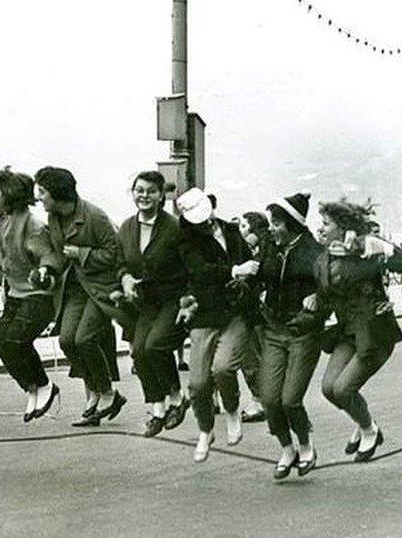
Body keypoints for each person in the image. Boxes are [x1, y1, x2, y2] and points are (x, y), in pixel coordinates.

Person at [310, 199, 402, 462]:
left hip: (374, 333)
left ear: (342, 227)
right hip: (347, 332)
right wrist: (313, 300)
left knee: (344, 389)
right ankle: (363, 421)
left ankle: (369, 430)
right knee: (328, 388)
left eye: (326, 224)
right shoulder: (323, 258)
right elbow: (327, 295)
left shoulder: (364, 249)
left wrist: (371, 245)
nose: (320, 229)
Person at [34, 166, 128, 427]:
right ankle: (97, 393)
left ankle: (107, 393)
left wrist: (82, 253)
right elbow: (57, 252)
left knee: (85, 338)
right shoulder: (54, 217)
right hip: (75, 287)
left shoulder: (95, 216)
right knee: (67, 341)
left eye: (42, 192)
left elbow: (115, 253)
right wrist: (47, 268)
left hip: (100, 288)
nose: (39, 198)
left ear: (57, 193)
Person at [175, 187, 260, 462]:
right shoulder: (186, 239)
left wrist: (250, 279)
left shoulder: (232, 231)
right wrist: (235, 271)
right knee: (198, 383)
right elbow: (199, 272)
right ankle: (205, 429)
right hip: (206, 312)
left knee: (224, 368)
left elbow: (252, 262)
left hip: (235, 311)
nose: (204, 224)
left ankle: (232, 410)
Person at [0, 167, 62, 421]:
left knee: (17, 340)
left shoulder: (32, 226)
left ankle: (45, 385)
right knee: (3, 345)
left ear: (9, 193)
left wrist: (45, 270)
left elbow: (48, 254)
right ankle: (32, 388)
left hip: (38, 295)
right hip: (15, 293)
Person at [117, 171, 190, 437]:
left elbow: (191, 266)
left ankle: (177, 397)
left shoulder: (175, 227)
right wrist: (124, 279)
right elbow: (120, 263)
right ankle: (158, 408)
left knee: (156, 344)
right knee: (138, 350)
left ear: (161, 195)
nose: (144, 196)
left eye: (150, 191)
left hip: (174, 298)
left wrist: (188, 300)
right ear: (133, 192)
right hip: (146, 302)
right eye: (139, 190)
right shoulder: (126, 227)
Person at [258, 191, 324, 480]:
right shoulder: (270, 247)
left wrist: (319, 297)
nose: (271, 229)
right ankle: (287, 448)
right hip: (273, 329)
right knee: (270, 398)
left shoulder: (315, 253)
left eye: (276, 223)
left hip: (303, 333)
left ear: (292, 224)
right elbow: (260, 276)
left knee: (290, 399)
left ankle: (307, 445)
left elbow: (333, 286)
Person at [236, 211, 274, 423]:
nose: (240, 230)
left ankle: (260, 400)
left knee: (250, 357)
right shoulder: (266, 247)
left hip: (251, 311)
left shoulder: (254, 250)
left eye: (243, 225)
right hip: (261, 312)